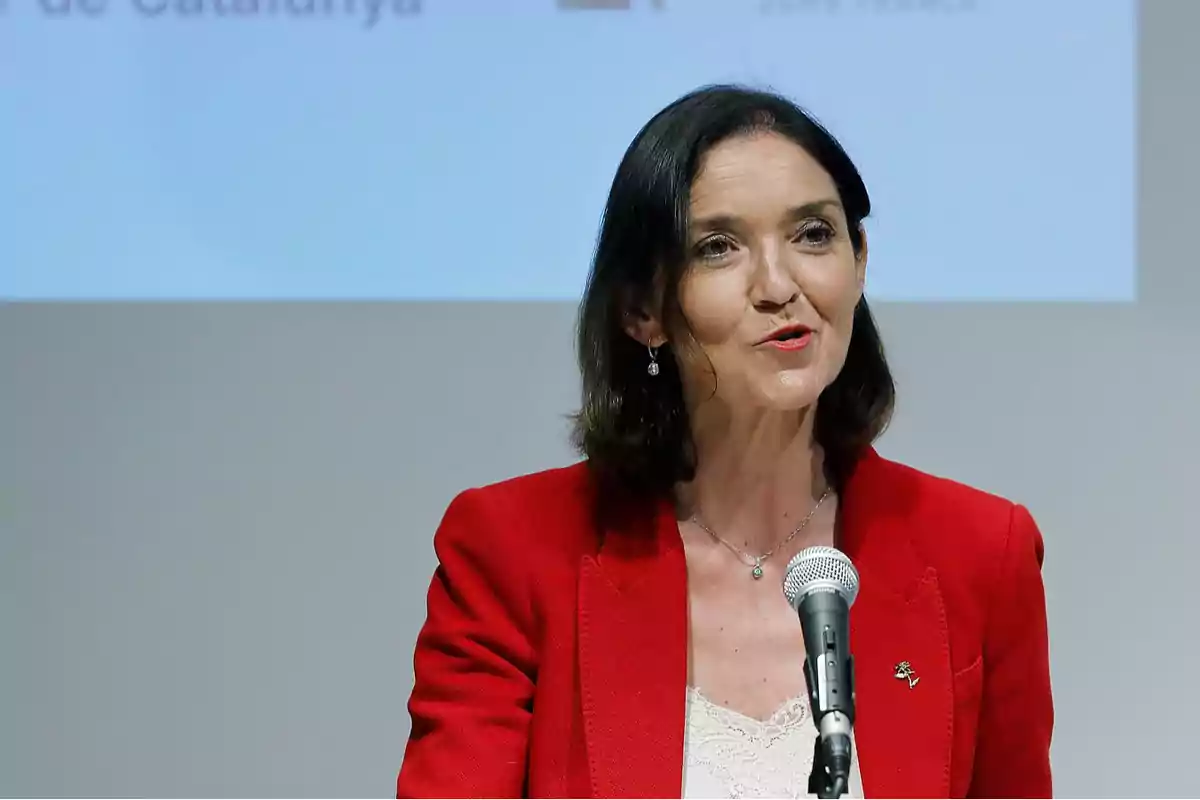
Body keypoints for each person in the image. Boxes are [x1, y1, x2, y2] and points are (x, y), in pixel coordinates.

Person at [395, 84, 1053, 799]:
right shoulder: (513, 553)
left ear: (859, 260)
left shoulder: (981, 553)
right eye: (718, 247)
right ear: (642, 310)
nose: (779, 285)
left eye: (813, 234)